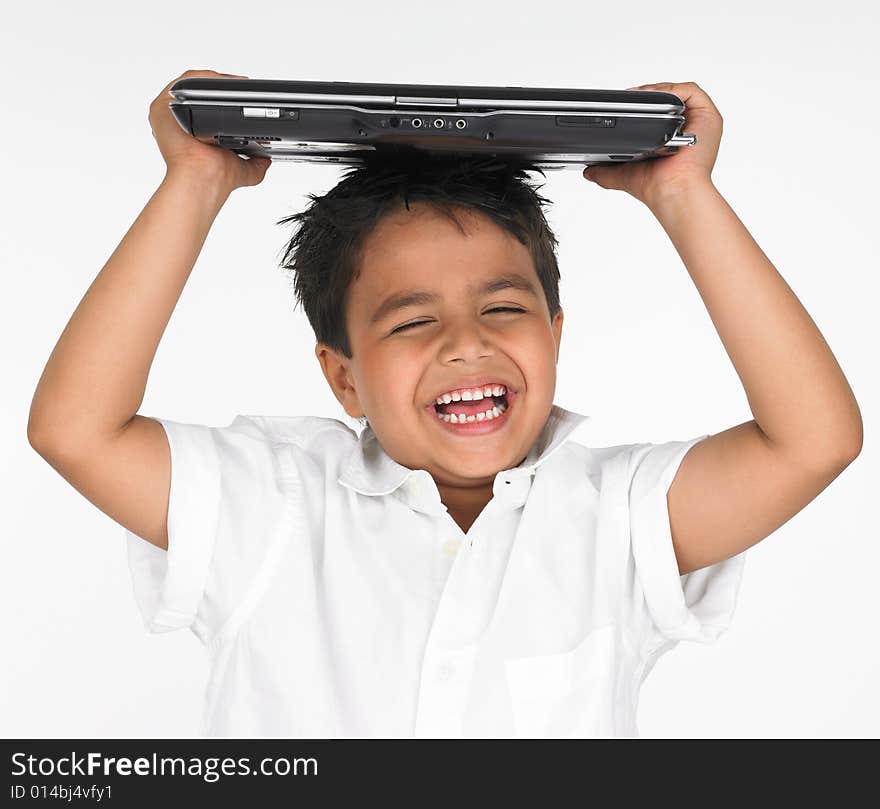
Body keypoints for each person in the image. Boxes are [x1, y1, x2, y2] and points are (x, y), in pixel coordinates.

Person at [27, 70, 863, 738]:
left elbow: (813, 440)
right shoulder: (270, 505)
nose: (467, 343)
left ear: (556, 334)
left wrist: (684, 194)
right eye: (413, 320)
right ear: (343, 376)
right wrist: (195, 183)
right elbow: (76, 429)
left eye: (504, 308)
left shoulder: (618, 517)